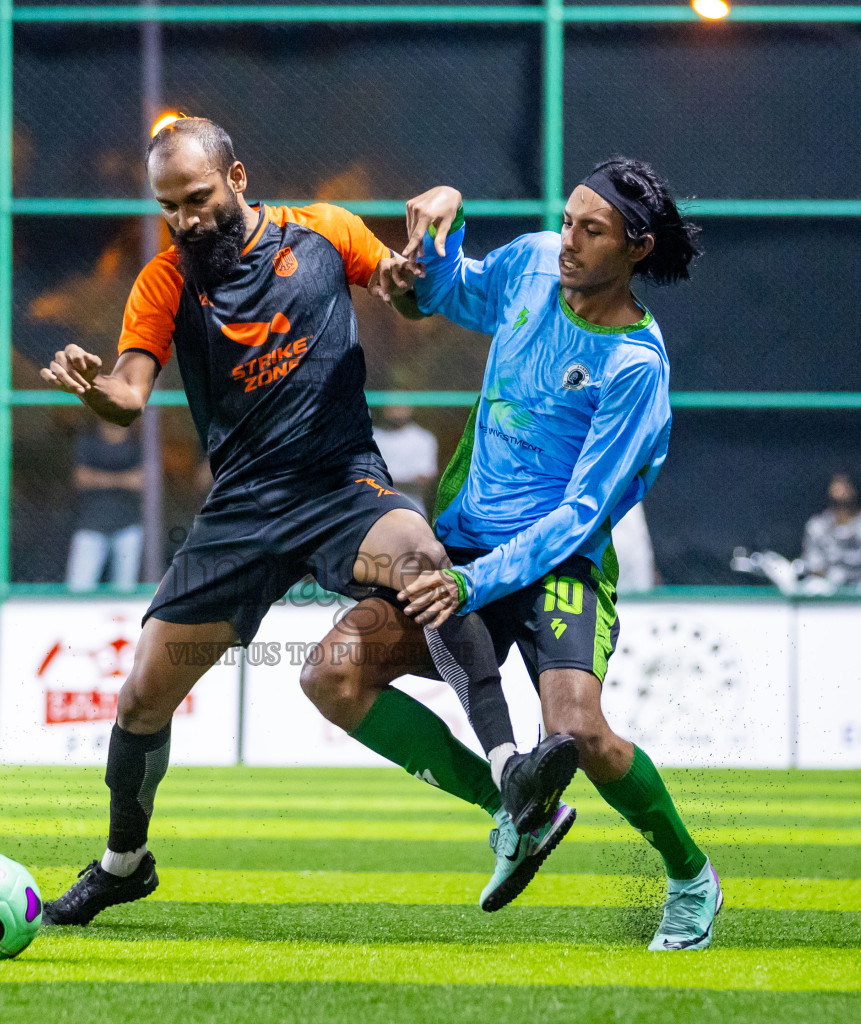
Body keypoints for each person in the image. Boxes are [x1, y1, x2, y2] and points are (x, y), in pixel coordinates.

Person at [37, 118, 575, 926]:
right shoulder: (164, 282)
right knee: (143, 700)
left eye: (197, 198)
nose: (186, 219)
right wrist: (92, 387)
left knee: (424, 559)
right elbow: (128, 395)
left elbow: (402, 287)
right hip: (243, 513)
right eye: (169, 207)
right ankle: (124, 862)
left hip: (340, 486)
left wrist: (418, 253)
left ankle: (510, 770)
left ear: (238, 179)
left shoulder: (323, 231)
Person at [311, 157, 722, 949]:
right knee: (331, 674)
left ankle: (688, 874)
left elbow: (582, 513)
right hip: (465, 539)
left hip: (555, 562)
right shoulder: (534, 261)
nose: (567, 242)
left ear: (636, 249)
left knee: (578, 729)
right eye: (568, 220)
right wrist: (442, 223)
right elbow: (444, 294)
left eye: (590, 231)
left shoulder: (636, 367)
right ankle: (509, 804)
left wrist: (472, 584)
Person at [67, 420, 145, 592]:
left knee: (125, 589)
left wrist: (99, 479)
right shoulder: (87, 442)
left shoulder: (137, 444)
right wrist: (121, 479)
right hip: (91, 524)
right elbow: (81, 477)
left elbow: (140, 480)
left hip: (127, 525)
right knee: (78, 588)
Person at [372, 405, 439, 512]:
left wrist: (381, 480)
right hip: (375, 511)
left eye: (400, 406)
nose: (396, 411)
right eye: (392, 406)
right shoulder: (372, 437)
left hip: (411, 509)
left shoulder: (423, 438)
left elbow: (424, 479)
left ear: (410, 408)